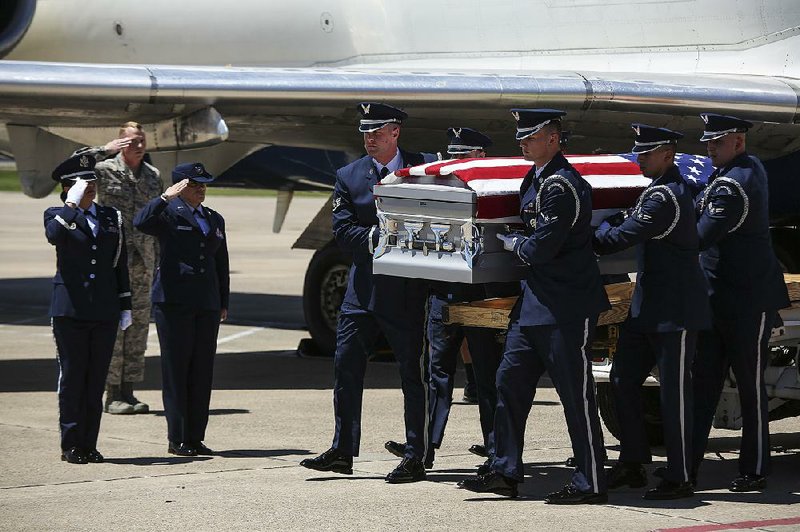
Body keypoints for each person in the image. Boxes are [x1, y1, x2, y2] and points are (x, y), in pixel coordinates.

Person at [459, 109, 609, 503]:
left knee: (575, 396)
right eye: (521, 136)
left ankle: (590, 480)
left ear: (553, 138)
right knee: (510, 382)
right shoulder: (537, 177)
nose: (522, 142)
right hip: (535, 304)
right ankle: (505, 469)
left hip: (566, 305)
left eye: (530, 136)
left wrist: (514, 245)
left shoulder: (562, 184)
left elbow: (541, 247)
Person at [300, 102, 438, 483]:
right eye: (365, 133)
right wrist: (384, 236)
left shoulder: (425, 167)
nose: (369, 139)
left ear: (396, 132)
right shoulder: (349, 175)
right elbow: (343, 232)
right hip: (361, 291)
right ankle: (343, 450)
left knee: (414, 373)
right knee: (345, 367)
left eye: (377, 133)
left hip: (407, 289)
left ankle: (416, 454)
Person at [384, 127, 518, 468]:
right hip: (443, 293)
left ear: (481, 157)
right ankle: (423, 446)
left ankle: (494, 448)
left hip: (480, 297)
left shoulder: (494, 190)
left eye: (465, 154)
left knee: (487, 376)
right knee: (435, 373)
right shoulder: (437, 189)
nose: (456, 161)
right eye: (452, 154)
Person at [593, 124, 711, 500]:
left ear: (668, 154)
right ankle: (632, 462)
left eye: (646, 154)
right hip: (647, 309)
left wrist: (601, 223)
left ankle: (680, 476)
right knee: (622, 380)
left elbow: (618, 239)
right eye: (638, 153)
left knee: (674, 395)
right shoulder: (655, 191)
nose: (639, 159)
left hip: (674, 312)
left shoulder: (666, 197)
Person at [691, 113, 790, 492]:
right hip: (718, 298)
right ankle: (688, 465)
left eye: (717, 142)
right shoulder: (733, 171)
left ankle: (755, 469)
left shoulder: (737, 182)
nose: (710, 149)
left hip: (746, 301)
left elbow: (700, 236)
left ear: (738, 141)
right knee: (703, 386)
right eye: (708, 143)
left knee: (750, 387)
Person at [133, 162, 230, 457]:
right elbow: (140, 222)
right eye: (195, 184)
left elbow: (220, 263)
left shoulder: (214, 218)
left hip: (206, 302)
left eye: (204, 184)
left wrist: (223, 301)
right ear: (181, 186)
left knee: (202, 371)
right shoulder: (167, 213)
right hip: (174, 302)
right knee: (177, 370)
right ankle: (178, 438)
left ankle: (195, 436)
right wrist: (165, 197)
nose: (201, 189)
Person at [44, 154, 132, 464]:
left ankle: (89, 443)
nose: (91, 188)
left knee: (95, 380)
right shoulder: (57, 215)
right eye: (84, 184)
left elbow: (118, 263)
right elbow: (54, 236)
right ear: (68, 187)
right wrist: (71, 205)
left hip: (104, 310)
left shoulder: (111, 217)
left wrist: (125, 304)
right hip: (70, 311)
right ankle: (71, 445)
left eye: (93, 183)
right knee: (72, 378)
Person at [75, 122, 163, 415]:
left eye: (141, 141)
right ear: (121, 143)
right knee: (115, 327)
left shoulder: (153, 176)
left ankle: (129, 390)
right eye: (131, 141)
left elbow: (158, 221)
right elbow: (75, 165)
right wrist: (104, 150)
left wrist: (159, 262)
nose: (138, 146)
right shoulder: (104, 169)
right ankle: (111, 394)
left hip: (144, 263)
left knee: (138, 328)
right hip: (114, 261)